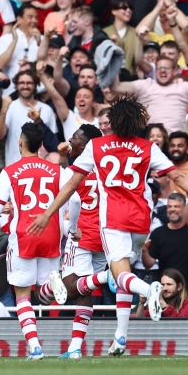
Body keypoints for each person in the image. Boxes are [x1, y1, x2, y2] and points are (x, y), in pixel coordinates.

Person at [33, 95, 188, 356]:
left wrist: (48, 213)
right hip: (141, 219)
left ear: (114, 121)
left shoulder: (97, 146)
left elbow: (71, 185)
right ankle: (121, 337)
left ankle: (151, 292)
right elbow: (178, 176)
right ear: (137, 122)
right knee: (124, 278)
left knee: (120, 275)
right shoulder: (147, 147)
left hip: (114, 219)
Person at [0, 123, 67, 360]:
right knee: (45, 295)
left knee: (22, 294)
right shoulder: (56, 170)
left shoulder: (10, 171)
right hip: (51, 233)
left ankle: (35, 347)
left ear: (20, 143)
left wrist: (6, 210)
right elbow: (70, 200)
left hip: (24, 236)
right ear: (42, 145)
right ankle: (53, 283)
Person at [57, 124, 111, 359]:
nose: (71, 140)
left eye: (76, 137)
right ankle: (75, 348)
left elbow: (76, 202)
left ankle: (109, 277)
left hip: (82, 235)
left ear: (87, 144)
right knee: (85, 290)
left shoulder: (74, 171)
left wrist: (71, 229)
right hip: (105, 236)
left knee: (70, 288)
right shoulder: (107, 170)